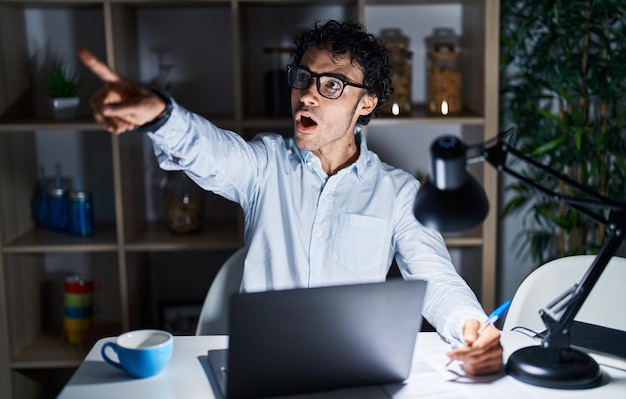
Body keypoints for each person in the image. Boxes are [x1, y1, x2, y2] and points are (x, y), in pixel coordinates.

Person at [78, 19, 502, 375]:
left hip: (351, 370)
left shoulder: (400, 192)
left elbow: (437, 281)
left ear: (366, 103)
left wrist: (473, 327)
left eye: (332, 85)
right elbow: (211, 153)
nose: (309, 94)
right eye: (303, 78)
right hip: (259, 367)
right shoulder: (265, 164)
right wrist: (161, 116)